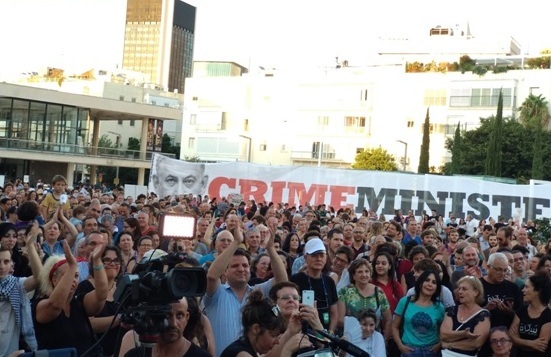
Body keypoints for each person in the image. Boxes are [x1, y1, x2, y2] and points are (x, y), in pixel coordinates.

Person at [203, 221, 288, 356]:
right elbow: (212, 276)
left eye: (245, 265)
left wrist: (271, 249)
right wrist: (236, 242)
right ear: (225, 272)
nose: (241, 269)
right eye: (235, 266)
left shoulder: (258, 293)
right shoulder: (216, 293)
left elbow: (282, 282)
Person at [32, 239, 108, 355]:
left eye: (76, 276)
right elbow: (55, 306)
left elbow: (101, 295)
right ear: (54, 279)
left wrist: (96, 261)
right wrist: (72, 267)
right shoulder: (41, 304)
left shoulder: (79, 302)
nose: (73, 279)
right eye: (67, 275)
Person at [75, 245, 127, 357]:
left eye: (116, 260)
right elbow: (89, 324)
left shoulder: (123, 288)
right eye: (107, 260)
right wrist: (121, 318)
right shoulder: (85, 287)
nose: (112, 263)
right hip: (92, 352)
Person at [0, 222, 42, 356]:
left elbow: (39, 278)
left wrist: (30, 246)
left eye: (6, 262)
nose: (2, 267)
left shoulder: (14, 285)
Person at [123, 297, 211, 357]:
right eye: (167, 315)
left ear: (187, 317)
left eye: (179, 315)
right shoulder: (135, 355)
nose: (173, 323)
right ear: (153, 317)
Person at [392, 270, 445, 357]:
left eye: (434, 282)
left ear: (437, 288)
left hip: (432, 352)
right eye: (427, 280)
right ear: (420, 282)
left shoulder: (440, 307)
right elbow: (394, 327)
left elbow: (444, 331)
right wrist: (400, 346)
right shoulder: (405, 302)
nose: (430, 284)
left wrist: (439, 345)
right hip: (409, 351)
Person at [290, 237, 339, 333]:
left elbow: (334, 312)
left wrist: (331, 332)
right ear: (305, 258)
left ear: (326, 258)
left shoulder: (329, 281)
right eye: (314, 255)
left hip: (325, 335)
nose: (318, 259)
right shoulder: (295, 280)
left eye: (321, 255)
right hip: (301, 334)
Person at [337, 258, 392, 340]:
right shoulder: (344, 292)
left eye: (367, 271)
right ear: (353, 275)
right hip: (351, 338)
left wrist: (384, 341)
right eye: (360, 272)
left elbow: (388, 319)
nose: (364, 275)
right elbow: (340, 320)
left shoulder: (378, 292)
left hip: (373, 339)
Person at [220, 290, 286, 357]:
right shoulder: (242, 354)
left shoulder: (246, 348)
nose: (277, 342)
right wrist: (288, 352)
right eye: (274, 335)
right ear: (256, 329)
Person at [440, 276, 491, 356]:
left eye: (464, 289)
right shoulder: (452, 310)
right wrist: (464, 334)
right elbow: (444, 335)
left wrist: (449, 344)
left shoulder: (483, 314)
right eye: (459, 288)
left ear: (475, 292)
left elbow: (476, 343)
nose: (460, 292)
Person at [509, 271, 551, 356]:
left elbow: (541, 347)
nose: (523, 290)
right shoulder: (521, 311)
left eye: (527, 287)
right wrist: (531, 343)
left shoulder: (548, 316)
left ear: (537, 291)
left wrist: (519, 341)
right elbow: (511, 338)